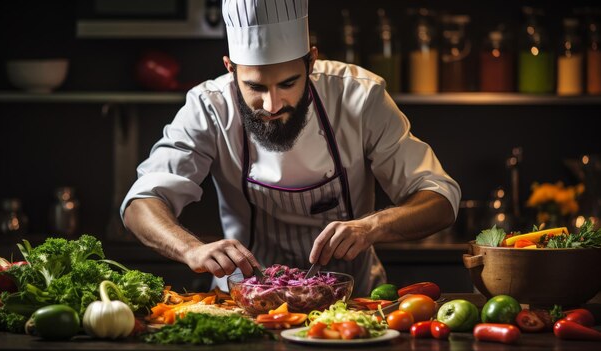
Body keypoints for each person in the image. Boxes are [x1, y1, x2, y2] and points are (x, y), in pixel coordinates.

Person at [121, 0, 461, 296]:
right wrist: (191, 250)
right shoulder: (209, 107)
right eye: (254, 86)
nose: (271, 105)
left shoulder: (359, 97)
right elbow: (142, 202)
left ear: (311, 63)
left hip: (354, 304)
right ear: (230, 68)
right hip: (244, 306)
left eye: (288, 83)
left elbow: (440, 197)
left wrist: (372, 227)